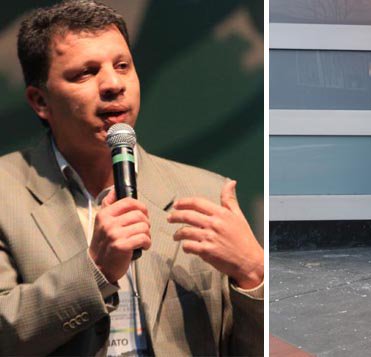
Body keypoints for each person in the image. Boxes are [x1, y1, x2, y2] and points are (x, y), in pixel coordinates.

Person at [0, 1, 264, 355]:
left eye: (122, 66)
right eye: (85, 73)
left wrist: (254, 277)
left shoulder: (207, 193)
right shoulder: (5, 193)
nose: (113, 84)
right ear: (39, 101)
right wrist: (95, 272)